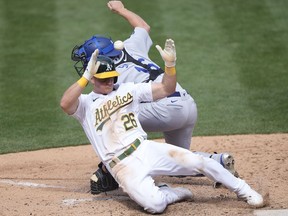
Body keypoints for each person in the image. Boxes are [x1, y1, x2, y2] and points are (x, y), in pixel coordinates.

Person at [61, 39, 264, 214]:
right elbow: (65, 104)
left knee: (198, 162)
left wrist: (170, 65)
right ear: (94, 79)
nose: (109, 82)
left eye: (111, 77)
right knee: (155, 205)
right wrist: (84, 77)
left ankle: (244, 190)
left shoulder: (129, 90)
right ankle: (171, 193)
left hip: (146, 149)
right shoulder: (86, 104)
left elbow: (167, 88)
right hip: (122, 166)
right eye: (103, 79)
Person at [71, 0, 238, 194]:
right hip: (187, 105)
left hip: (164, 109)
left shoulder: (107, 76)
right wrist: (122, 10)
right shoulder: (129, 46)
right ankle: (220, 161)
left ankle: (109, 172)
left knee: (111, 116)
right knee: (179, 164)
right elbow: (143, 26)